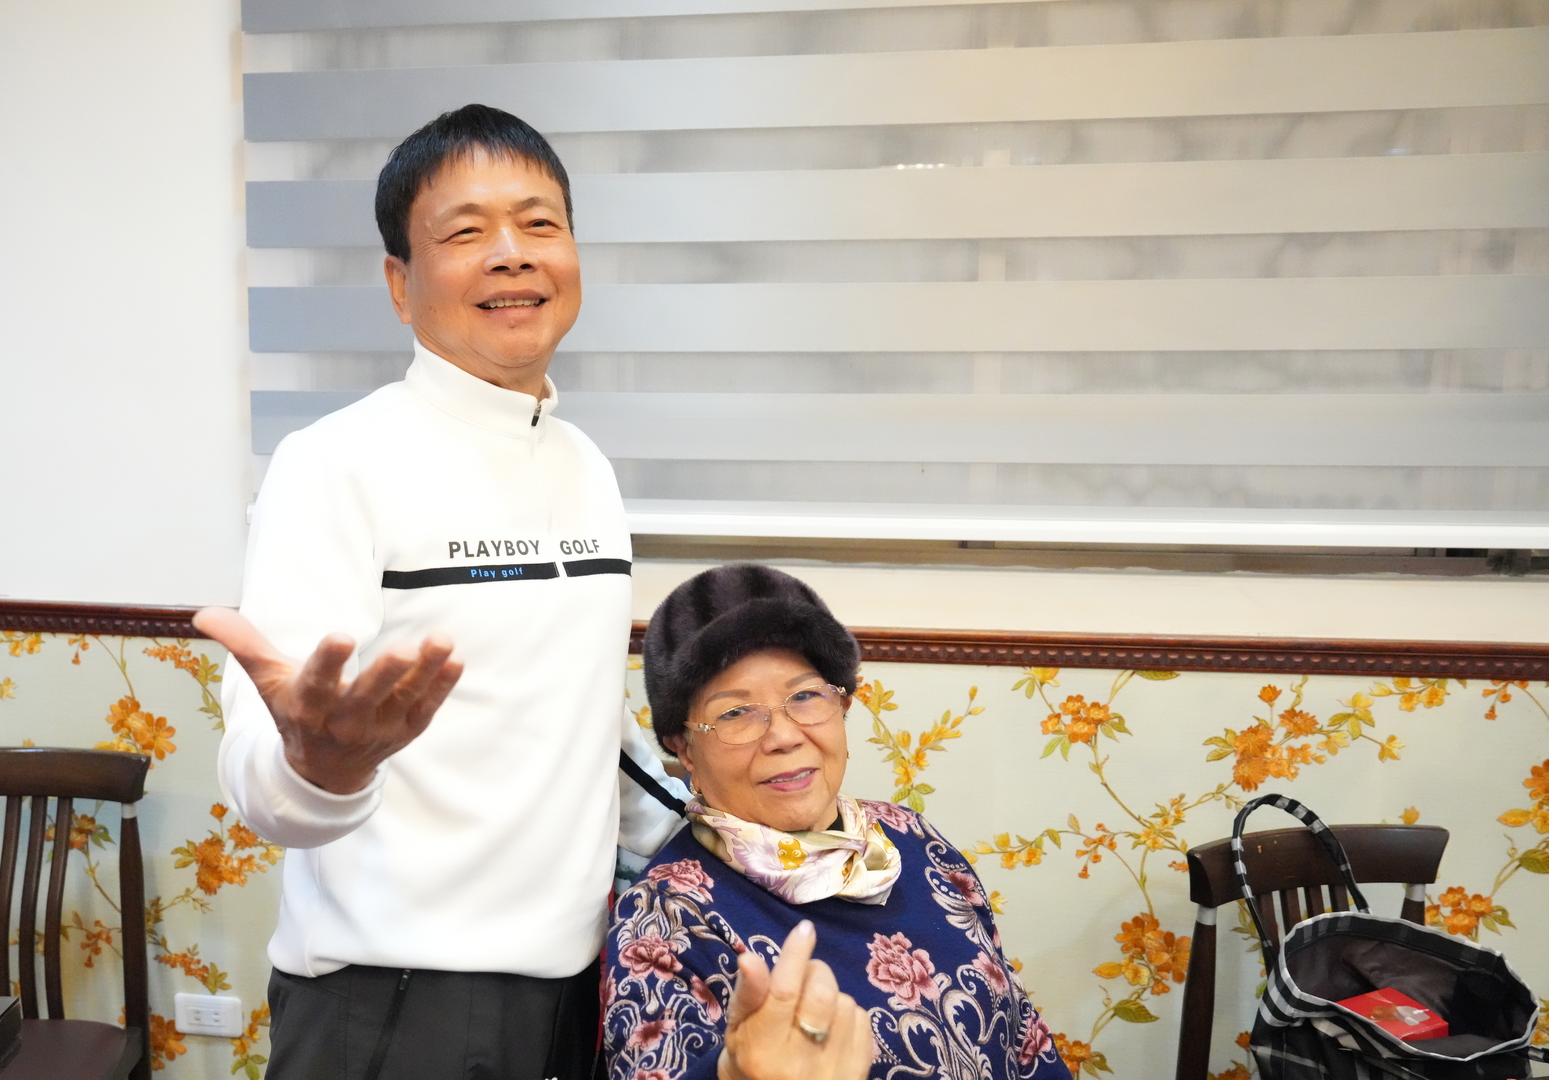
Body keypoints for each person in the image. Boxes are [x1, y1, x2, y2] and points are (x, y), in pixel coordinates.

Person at [194, 104, 691, 1080]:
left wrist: (716, 837)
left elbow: (575, 721)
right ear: (400, 283)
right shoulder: (334, 463)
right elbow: (266, 769)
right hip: (393, 1004)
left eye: (539, 223)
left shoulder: (585, 467)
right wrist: (321, 769)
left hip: (576, 986)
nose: (512, 253)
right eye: (466, 232)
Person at [605, 564, 1073, 1080]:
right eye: (735, 713)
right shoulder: (663, 920)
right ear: (684, 747)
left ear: (842, 703)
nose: (784, 736)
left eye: (805, 696)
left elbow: (1023, 1041)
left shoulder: (912, 837)